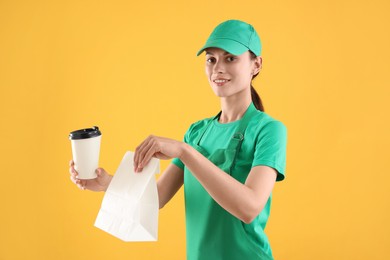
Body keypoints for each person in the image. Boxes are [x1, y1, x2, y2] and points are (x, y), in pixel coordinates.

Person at [69, 19, 287, 260]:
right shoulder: (197, 132)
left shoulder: (268, 130)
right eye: (211, 59)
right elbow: (157, 198)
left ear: (256, 64)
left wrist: (185, 152)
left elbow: (249, 207)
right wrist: (108, 184)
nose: (218, 68)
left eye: (230, 58)